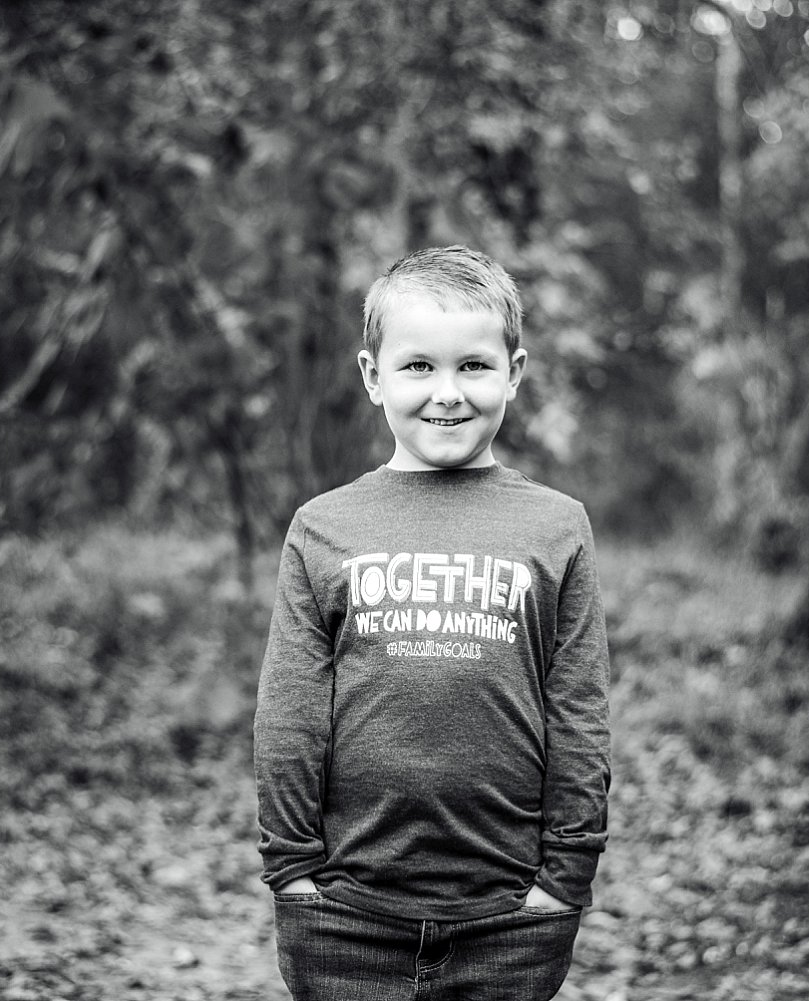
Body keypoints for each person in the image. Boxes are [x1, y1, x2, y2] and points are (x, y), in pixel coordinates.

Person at [254, 245, 611, 1001]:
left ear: (514, 370)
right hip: (345, 916)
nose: (447, 393)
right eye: (418, 366)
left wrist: (564, 880)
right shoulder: (324, 527)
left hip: (511, 917)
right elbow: (290, 715)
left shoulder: (556, 526)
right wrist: (292, 875)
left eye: (474, 366)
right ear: (371, 373)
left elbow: (579, 712)